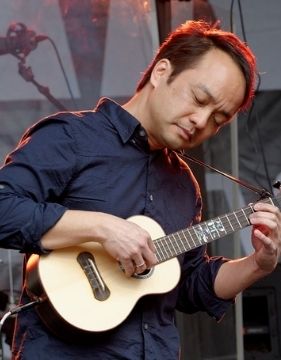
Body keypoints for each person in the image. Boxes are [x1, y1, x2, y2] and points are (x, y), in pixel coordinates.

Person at [0, 20, 280, 360]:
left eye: (218, 119)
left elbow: (190, 284)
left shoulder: (184, 185)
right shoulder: (72, 137)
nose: (201, 120)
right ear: (162, 71)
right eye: (199, 98)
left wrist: (258, 264)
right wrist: (102, 228)